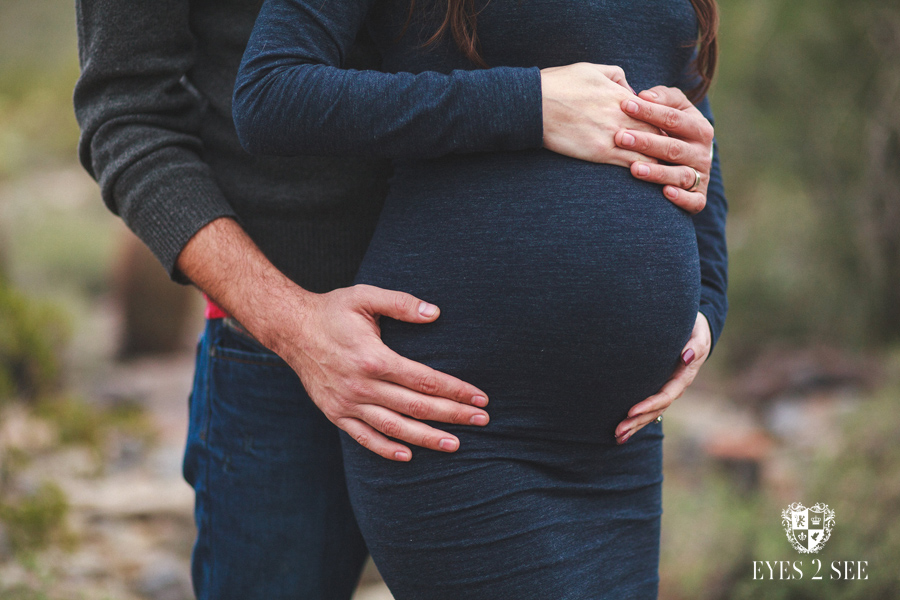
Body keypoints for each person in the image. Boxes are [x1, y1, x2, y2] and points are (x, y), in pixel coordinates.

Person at [74, 0, 723, 598]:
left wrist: (701, 294)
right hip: (285, 341)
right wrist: (294, 325)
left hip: (545, 373)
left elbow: (669, 87)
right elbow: (129, 119)